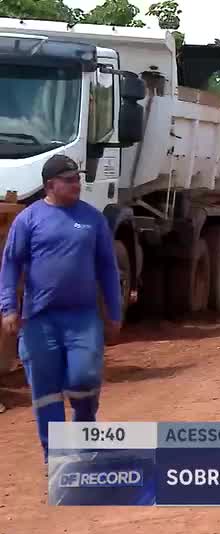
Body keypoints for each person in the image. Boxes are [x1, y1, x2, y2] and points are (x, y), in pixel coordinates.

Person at [0, 154, 123, 464]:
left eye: (77, 179)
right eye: (69, 180)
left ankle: (85, 437)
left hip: (82, 319)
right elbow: (10, 264)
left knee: (84, 379)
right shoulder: (28, 220)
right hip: (39, 321)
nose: (76, 184)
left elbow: (108, 268)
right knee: (46, 393)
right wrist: (9, 308)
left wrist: (115, 311)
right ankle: (55, 458)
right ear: (49, 185)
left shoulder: (92, 219)